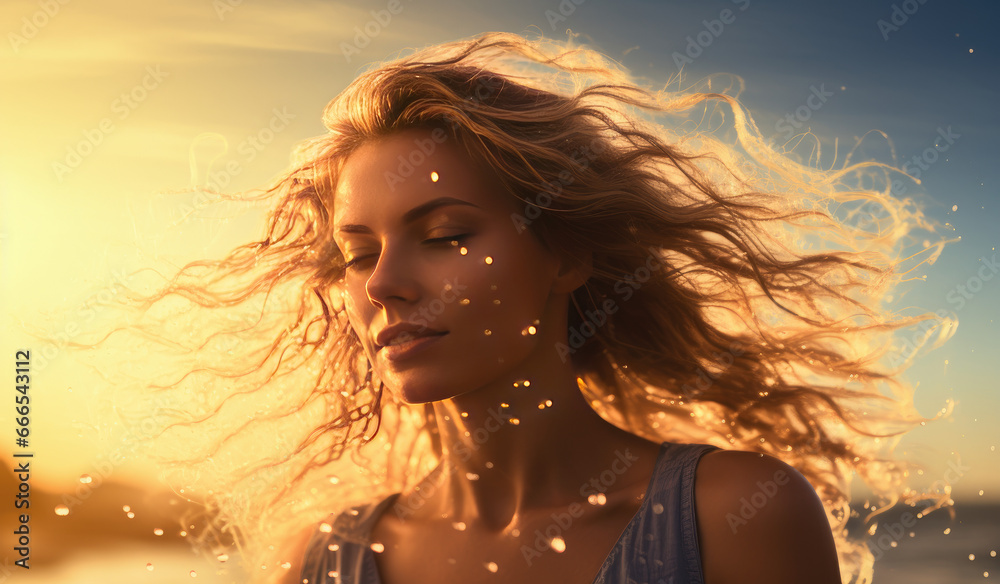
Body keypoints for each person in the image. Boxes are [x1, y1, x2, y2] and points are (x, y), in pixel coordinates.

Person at [100, 32, 951, 584]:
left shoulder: (733, 518)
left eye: (443, 235)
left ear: (568, 254)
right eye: (359, 254)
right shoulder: (327, 563)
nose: (385, 283)